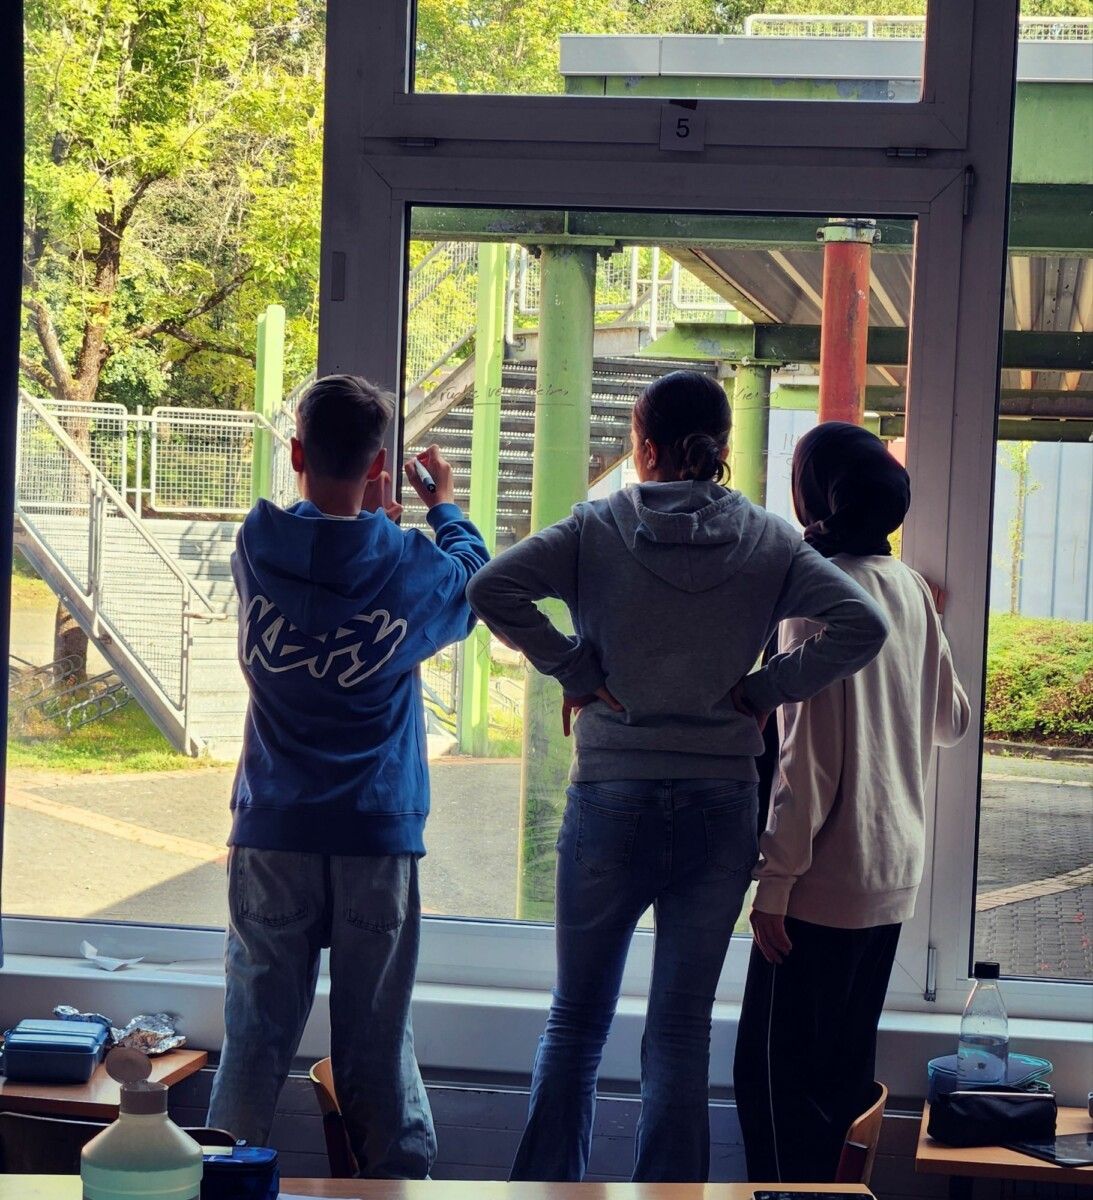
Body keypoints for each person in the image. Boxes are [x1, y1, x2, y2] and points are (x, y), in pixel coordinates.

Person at [466, 370, 890, 1184]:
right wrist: (763, 691)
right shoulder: (768, 540)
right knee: (680, 1031)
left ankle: (543, 1194)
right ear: (722, 448)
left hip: (610, 798)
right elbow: (859, 626)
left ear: (645, 447)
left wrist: (574, 668)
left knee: (576, 1019)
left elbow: (492, 587)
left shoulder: (596, 527)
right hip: (719, 805)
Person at [207, 375, 489, 1179]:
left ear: (297, 454)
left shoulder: (257, 544)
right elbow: (472, 579)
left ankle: (220, 1185)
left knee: (254, 1043)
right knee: (376, 1047)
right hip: (374, 832)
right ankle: (399, 1185)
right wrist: (442, 508)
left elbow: (323, 558)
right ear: (378, 467)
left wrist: (367, 520)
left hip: (273, 831)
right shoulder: (405, 564)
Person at [734, 421, 971, 1183]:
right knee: (838, 1083)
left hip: (821, 885)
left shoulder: (816, 602)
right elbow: (952, 720)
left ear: (812, 496)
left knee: (773, 1091)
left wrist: (774, 884)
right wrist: (919, 641)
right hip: (891, 873)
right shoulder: (907, 589)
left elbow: (804, 762)